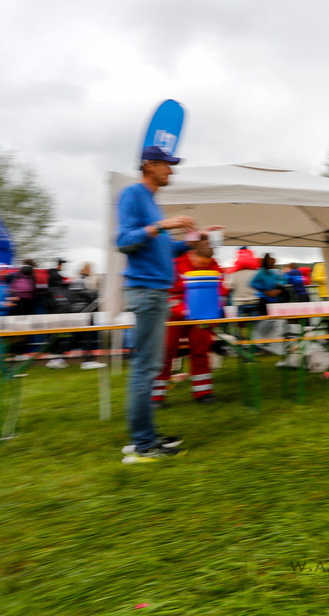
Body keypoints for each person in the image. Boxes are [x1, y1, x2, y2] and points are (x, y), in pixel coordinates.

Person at [115, 144, 205, 463]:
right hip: (146, 291)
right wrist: (163, 226)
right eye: (167, 164)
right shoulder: (132, 195)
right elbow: (123, 241)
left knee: (149, 367)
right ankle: (142, 445)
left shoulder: (150, 203)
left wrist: (194, 241)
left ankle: (146, 436)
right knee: (146, 368)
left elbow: (162, 250)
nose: (172, 170)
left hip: (154, 291)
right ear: (149, 165)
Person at [152, 233, 222, 407]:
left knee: (200, 351)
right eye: (200, 263)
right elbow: (167, 294)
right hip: (174, 317)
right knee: (166, 352)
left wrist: (214, 311)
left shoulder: (214, 267)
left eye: (206, 264)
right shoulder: (174, 266)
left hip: (200, 317)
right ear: (192, 254)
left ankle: (203, 391)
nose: (203, 267)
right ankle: (156, 396)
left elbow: (219, 292)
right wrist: (181, 310)